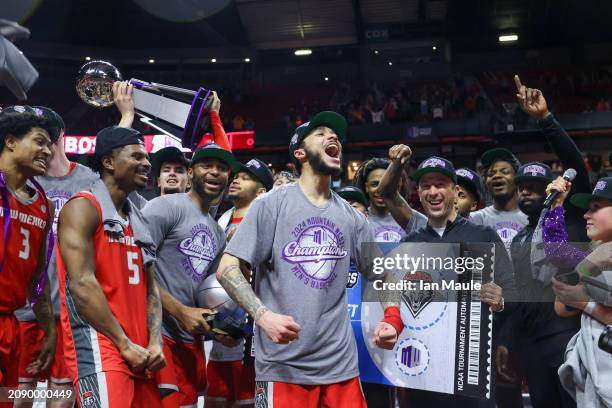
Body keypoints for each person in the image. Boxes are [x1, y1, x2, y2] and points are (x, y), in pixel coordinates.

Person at [216, 111, 402, 407]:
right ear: (300, 153)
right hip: (282, 369)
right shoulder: (271, 205)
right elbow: (227, 268)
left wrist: (393, 319)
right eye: (321, 133)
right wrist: (263, 316)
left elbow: (383, 274)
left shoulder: (352, 218)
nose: (333, 138)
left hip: (341, 368)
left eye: (336, 135)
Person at [57, 126, 165, 407]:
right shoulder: (83, 207)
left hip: (141, 350)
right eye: (137, 156)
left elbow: (151, 290)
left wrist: (155, 342)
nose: (147, 163)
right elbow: (81, 284)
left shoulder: (138, 218)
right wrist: (124, 344)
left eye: (147, 157)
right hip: (101, 345)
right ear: (108, 162)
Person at [399, 155, 515, 407]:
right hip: (424, 367)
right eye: (426, 186)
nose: (433, 192)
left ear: (455, 190)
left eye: (440, 184)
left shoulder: (483, 235)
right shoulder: (409, 244)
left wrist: (501, 300)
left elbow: (512, 290)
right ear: (418, 193)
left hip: (471, 364)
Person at [142, 143, 236, 408]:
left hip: (189, 341)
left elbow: (207, 293)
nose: (215, 172)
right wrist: (180, 311)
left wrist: (220, 329)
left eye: (221, 168)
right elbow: (134, 269)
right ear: (192, 172)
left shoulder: (217, 232)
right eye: (207, 166)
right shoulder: (164, 207)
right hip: (156, 333)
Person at [13, 107, 90, 408]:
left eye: (43, 138)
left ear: (57, 137)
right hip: (23, 312)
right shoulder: (20, 180)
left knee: (60, 397)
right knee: (18, 394)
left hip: (69, 312)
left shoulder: (89, 180)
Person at [501, 162, 579, 408]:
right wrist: (507, 340)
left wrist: (559, 202)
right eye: (522, 187)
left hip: (564, 334)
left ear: (549, 191)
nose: (525, 192)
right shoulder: (518, 238)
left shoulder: (568, 224)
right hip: (531, 341)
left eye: (534, 187)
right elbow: (517, 292)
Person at [0, 106, 57, 407]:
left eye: (49, 144)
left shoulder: (42, 204)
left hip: (10, 328)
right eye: (39, 141)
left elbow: (38, 278)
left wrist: (49, 330)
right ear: (10, 141)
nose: (47, 150)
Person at [541, 177, 612, 407]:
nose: (586, 215)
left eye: (596, 208)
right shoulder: (595, 258)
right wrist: (556, 205)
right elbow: (557, 250)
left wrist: (586, 304)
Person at [208, 158, 273, 408]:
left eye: (246, 178)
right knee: (214, 402)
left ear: (261, 192)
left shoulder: (267, 222)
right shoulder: (222, 219)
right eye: (237, 176)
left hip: (250, 341)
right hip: (219, 336)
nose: (236, 180)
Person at [354, 155, 426, 242]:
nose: (380, 189)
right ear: (366, 187)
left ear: (397, 185)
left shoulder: (411, 220)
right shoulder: (358, 220)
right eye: (375, 184)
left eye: (386, 185)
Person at [470, 148, 528, 244]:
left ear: (517, 179)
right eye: (491, 174)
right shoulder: (475, 219)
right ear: (486, 183)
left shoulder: (533, 218)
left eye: (504, 172)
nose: (497, 176)